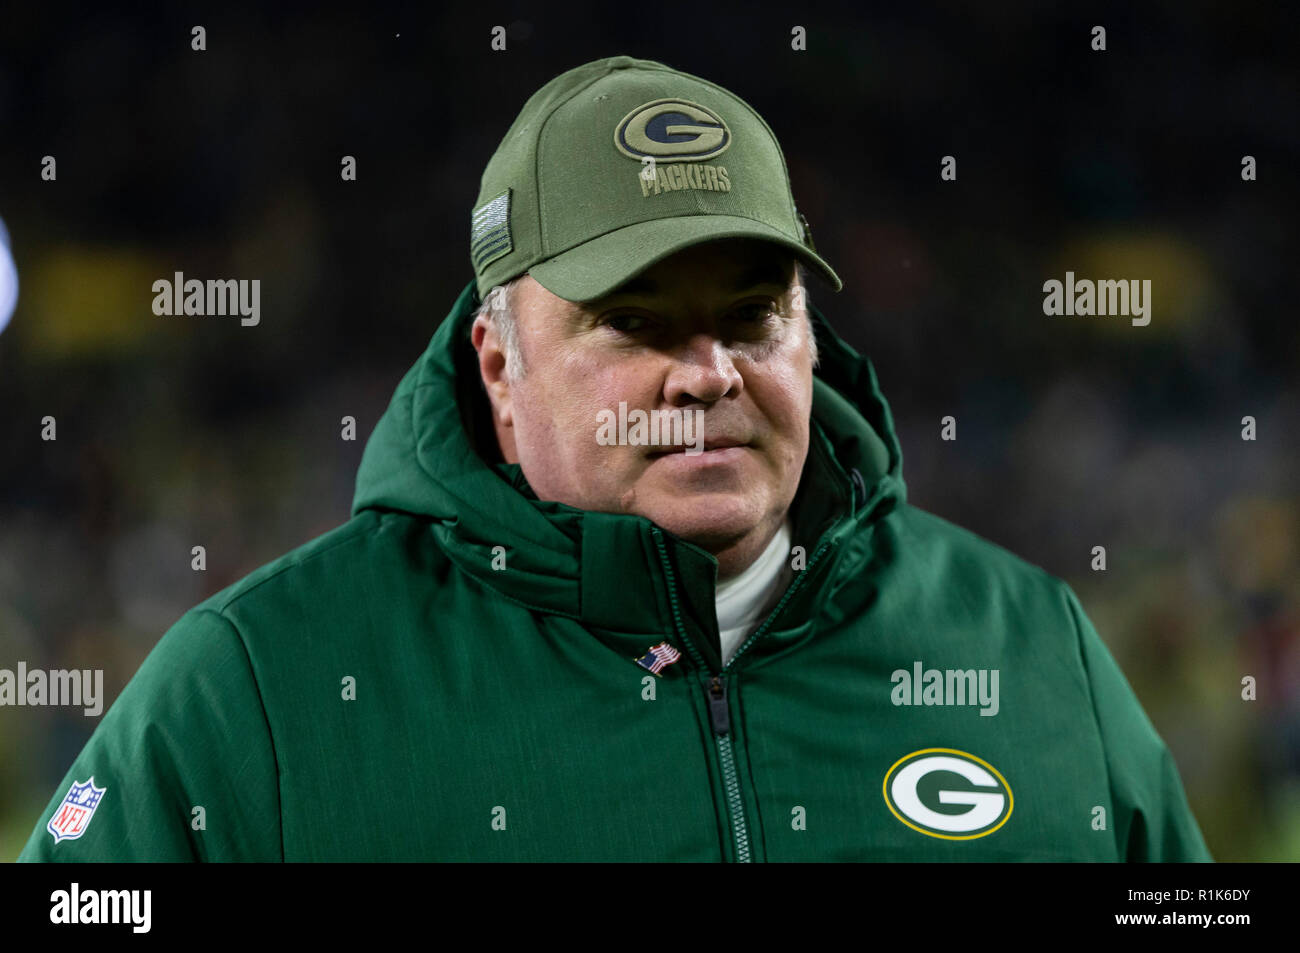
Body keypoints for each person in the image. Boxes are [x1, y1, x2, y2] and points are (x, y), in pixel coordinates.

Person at [19, 54, 1211, 862]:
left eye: (752, 315)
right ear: (497, 360)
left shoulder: (1032, 650)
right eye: (635, 321)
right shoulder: (253, 696)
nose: (708, 371)